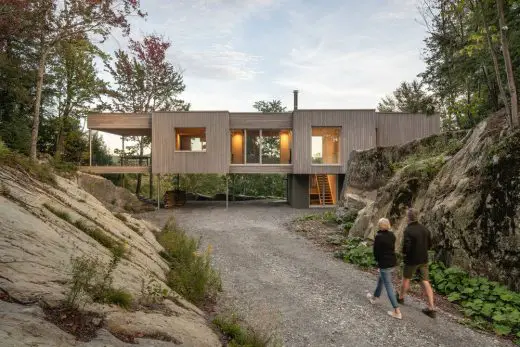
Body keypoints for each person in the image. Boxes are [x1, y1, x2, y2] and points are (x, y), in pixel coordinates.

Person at [397, 208, 436, 318]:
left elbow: (406, 246)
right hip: (424, 259)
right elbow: (429, 245)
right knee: (425, 281)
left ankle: (400, 298)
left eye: (406, 216)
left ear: (408, 217)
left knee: (406, 278)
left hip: (412, 259)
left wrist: (404, 254)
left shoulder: (408, 230)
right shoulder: (425, 229)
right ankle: (431, 308)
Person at [366, 217, 402, 319]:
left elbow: (376, 252)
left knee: (388, 286)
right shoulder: (392, 235)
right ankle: (374, 298)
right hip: (392, 262)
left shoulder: (378, 236)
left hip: (384, 263)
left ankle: (397, 311)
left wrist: (378, 261)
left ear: (380, 226)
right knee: (381, 279)